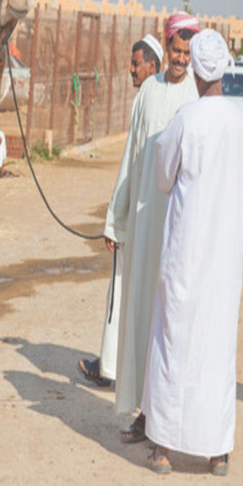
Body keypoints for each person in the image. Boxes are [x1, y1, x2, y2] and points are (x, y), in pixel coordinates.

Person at [140, 28, 243, 476]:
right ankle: (217, 451)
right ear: (224, 67)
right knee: (216, 347)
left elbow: (163, 175)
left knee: (174, 343)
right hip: (224, 260)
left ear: (197, 71)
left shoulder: (187, 119)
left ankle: (164, 448)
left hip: (186, 254)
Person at [105, 12, 200, 441]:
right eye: (175, 51)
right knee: (142, 315)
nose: (180, 60)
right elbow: (130, 158)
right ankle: (144, 413)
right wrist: (117, 219)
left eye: (186, 53)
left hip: (178, 229)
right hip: (145, 224)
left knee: (173, 320)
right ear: (167, 48)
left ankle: (170, 417)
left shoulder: (199, 100)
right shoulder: (148, 93)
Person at [78, 34, 163, 387]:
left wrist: (115, 220)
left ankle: (111, 367)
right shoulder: (160, 99)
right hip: (154, 216)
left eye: (136, 64)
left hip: (138, 218)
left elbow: (131, 165)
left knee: (121, 291)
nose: (131, 70)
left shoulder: (147, 100)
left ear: (152, 66)